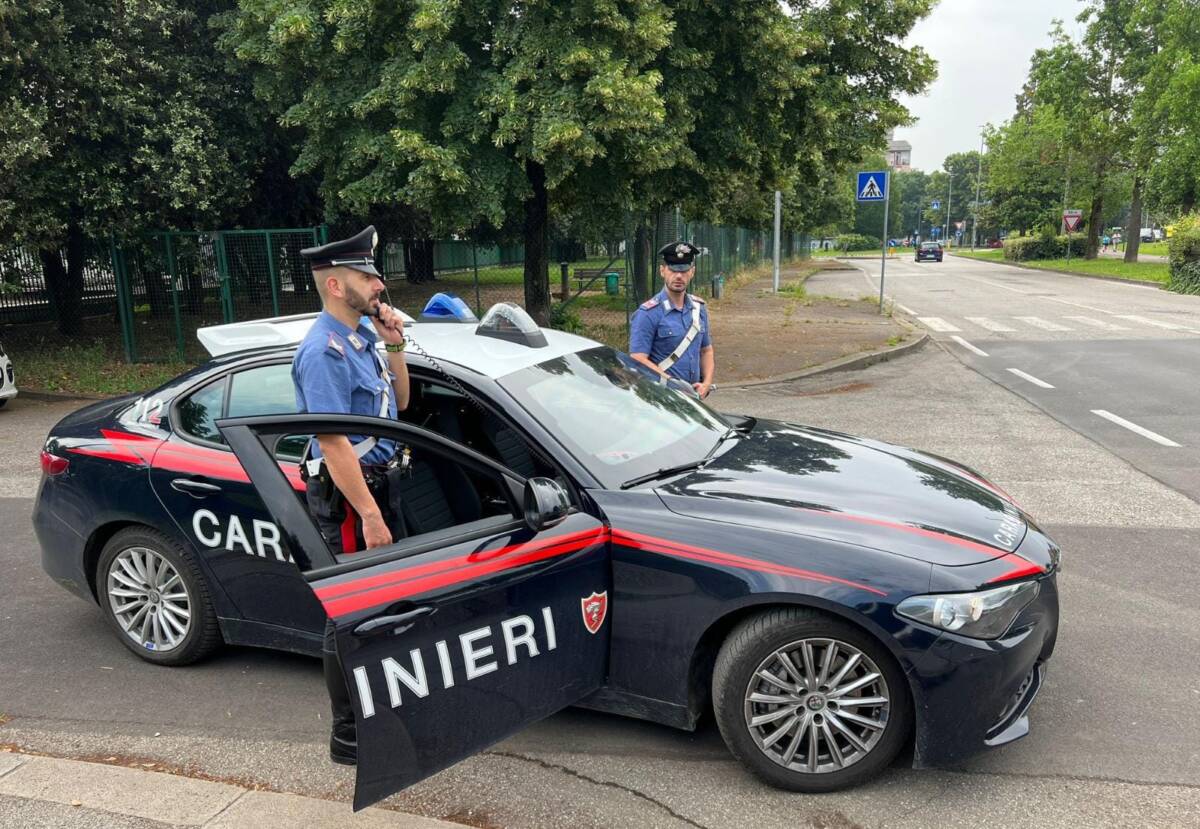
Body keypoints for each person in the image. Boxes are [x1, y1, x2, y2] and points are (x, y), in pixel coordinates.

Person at [292, 224, 411, 767]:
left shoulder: (362, 338)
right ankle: (349, 735)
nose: (378, 285)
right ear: (337, 285)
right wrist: (368, 514)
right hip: (351, 499)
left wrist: (396, 346)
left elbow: (400, 406)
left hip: (384, 486)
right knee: (349, 613)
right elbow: (333, 442)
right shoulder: (322, 352)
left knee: (385, 605)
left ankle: (383, 708)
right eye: (368, 276)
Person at [629, 241, 714, 398]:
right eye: (673, 270)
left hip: (694, 397)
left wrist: (706, 384)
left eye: (684, 270)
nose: (679, 276)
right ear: (662, 271)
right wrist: (673, 385)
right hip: (661, 399)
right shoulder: (648, 313)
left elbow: (706, 350)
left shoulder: (699, 308)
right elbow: (638, 358)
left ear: (692, 272)